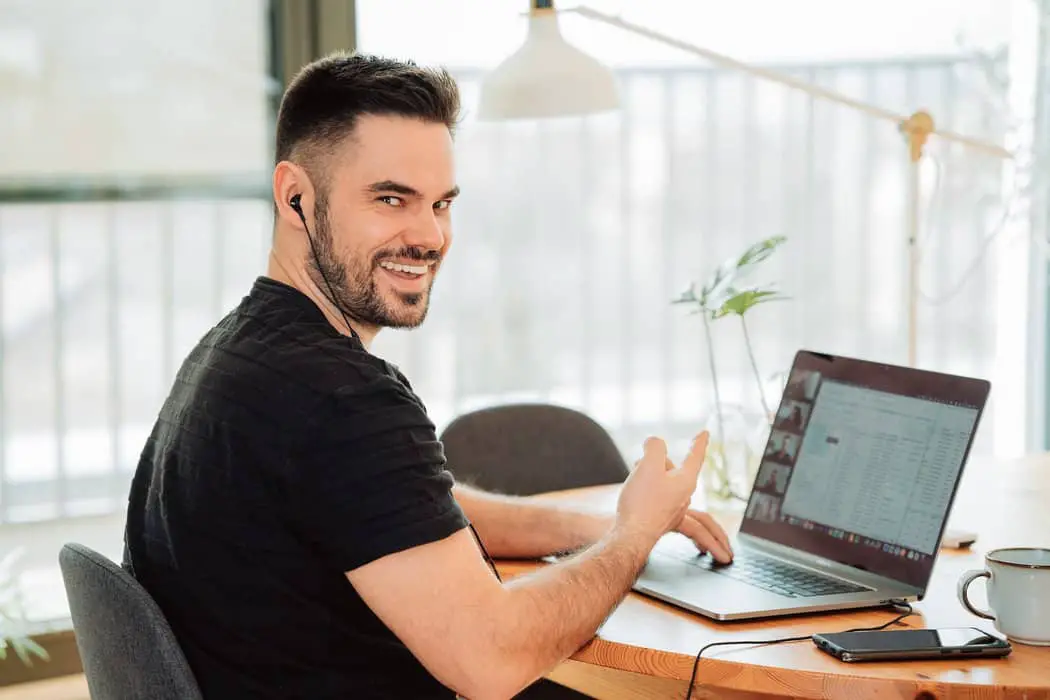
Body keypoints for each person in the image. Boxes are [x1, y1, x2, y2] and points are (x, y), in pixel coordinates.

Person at [123, 52, 733, 700]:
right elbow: (493, 662)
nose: (429, 235)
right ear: (294, 196)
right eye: (392, 199)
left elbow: (393, 512)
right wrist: (635, 536)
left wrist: (597, 528)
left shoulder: (238, 353)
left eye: (441, 203)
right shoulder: (342, 400)